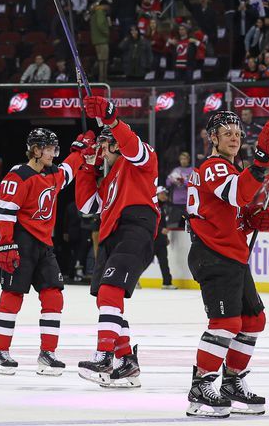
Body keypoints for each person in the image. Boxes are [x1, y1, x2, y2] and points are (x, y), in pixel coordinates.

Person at [184, 110, 269, 417]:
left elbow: (232, 207)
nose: (235, 137)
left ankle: (231, 382)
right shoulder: (213, 166)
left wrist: (249, 220)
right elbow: (236, 192)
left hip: (230, 254)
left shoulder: (228, 168)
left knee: (253, 321)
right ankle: (200, 386)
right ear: (213, 138)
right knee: (226, 323)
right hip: (214, 254)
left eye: (238, 133)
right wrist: (262, 160)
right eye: (227, 132)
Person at [73, 94, 161, 389]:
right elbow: (87, 207)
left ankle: (104, 355)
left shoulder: (140, 160)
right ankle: (126, 362)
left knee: (110, 290)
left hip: (135, 228)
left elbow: (133, 146)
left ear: (113, 144)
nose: (98, 149)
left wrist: (112, 120)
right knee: (105, 298)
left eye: (102, 144)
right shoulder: (108, 179)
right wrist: (86, 166)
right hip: (110, 234)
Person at [0, 127, 80, 377]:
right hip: (21, 241)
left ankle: (47, 353)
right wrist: (6, 243)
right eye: (49, 148)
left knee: (54, 296)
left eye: (55, 148)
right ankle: (0, 351)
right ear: (36, 150)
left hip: (44, 244)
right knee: (12, 295)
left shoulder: (52, 174)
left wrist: (80, 151)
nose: (54, 153)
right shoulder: (18, 175)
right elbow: (5, 212)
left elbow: (69, 171)